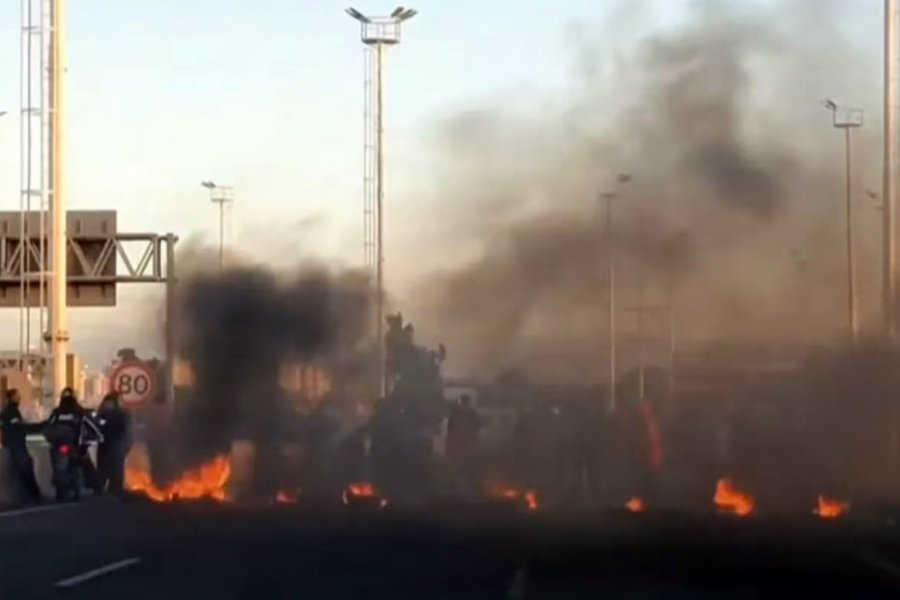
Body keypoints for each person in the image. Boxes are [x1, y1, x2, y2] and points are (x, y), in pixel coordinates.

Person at [0, 389, 43, 503]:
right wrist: (38, 427)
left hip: (13, 444)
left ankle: (33, 495)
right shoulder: (11, 411)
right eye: (17, 396)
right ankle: (35, 496)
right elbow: (20, 426)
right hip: (16, 445)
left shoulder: (8, 411)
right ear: (12, 398)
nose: (19, 398)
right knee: (26, 468)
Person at [95, 393, 130, 495]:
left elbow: (126, 431)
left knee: (116, 469)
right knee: (103, 467)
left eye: (110, 403)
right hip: (104, 445)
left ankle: (115, 487)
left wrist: (126, 446)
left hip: (116, 445)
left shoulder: (122, 415)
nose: (108, 405)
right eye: (107, 403)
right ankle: (100, 486)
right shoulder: (101, 415)